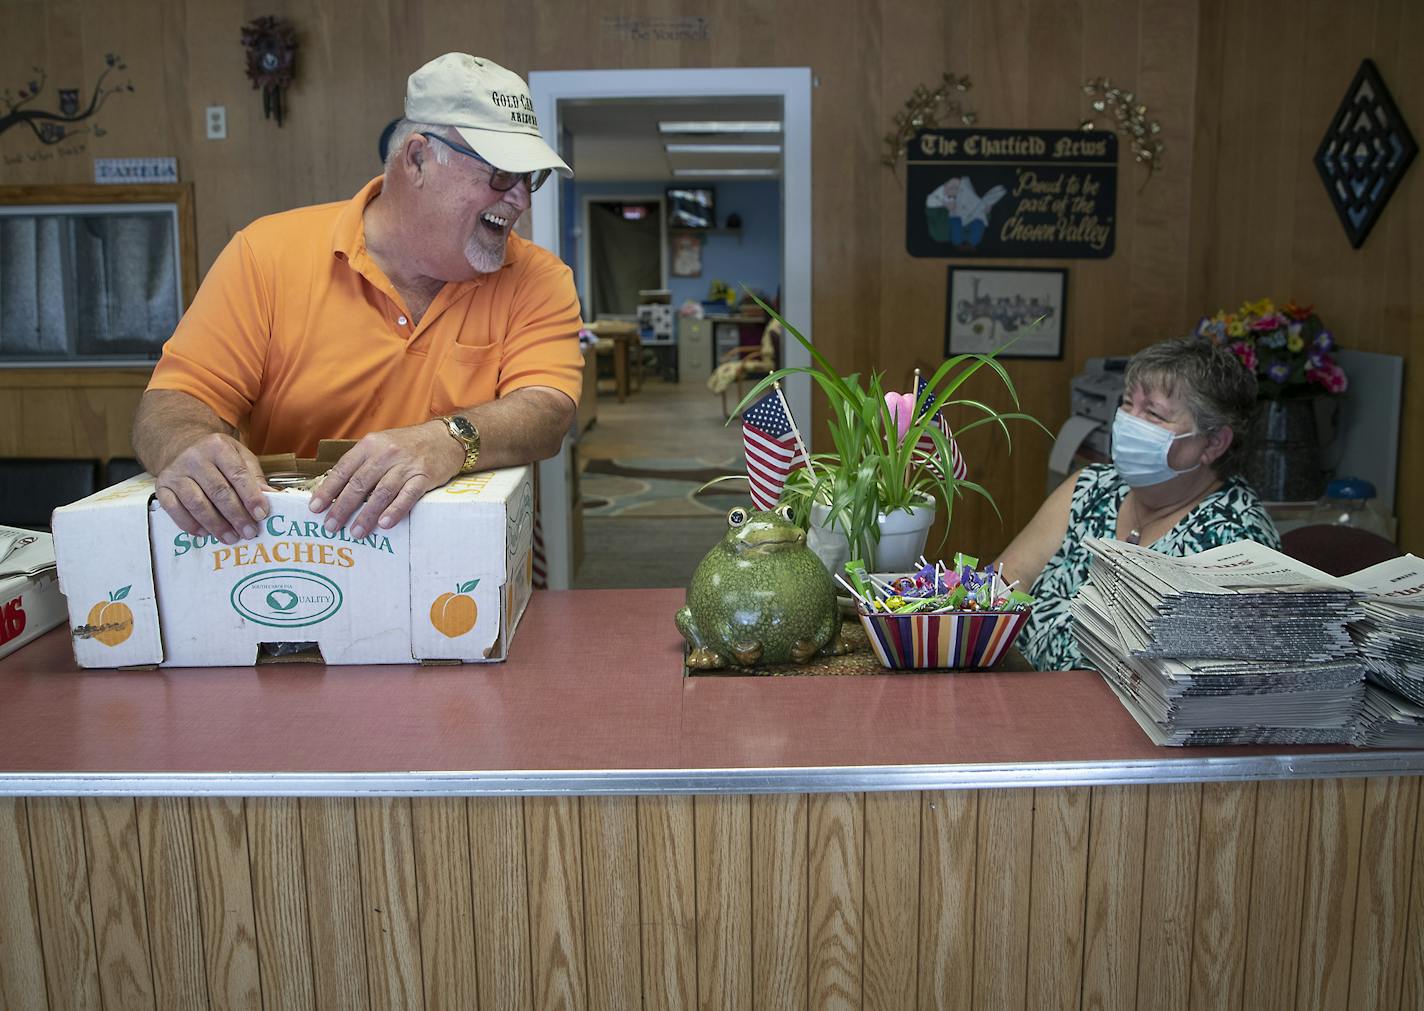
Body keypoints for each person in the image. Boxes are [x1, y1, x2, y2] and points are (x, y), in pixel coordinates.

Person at [133, 53, 581, 547]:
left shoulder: (539, 278)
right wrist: (187, 445)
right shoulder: (266, 254)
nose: (522, 199)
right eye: (501, 174)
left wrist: (448, 439)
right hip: (286, 555)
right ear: (417, 159)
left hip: (461, 566)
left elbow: (547, 412)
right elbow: (177, 398)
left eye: (530, 177)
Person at [997, 337, 1281, 670]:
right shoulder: (1091, 487)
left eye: (1153, 413)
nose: (1129, 421)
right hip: (1019, 693)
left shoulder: (1236, 539)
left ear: (1214, 442)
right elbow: (1001, 586)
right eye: (1128, 403)